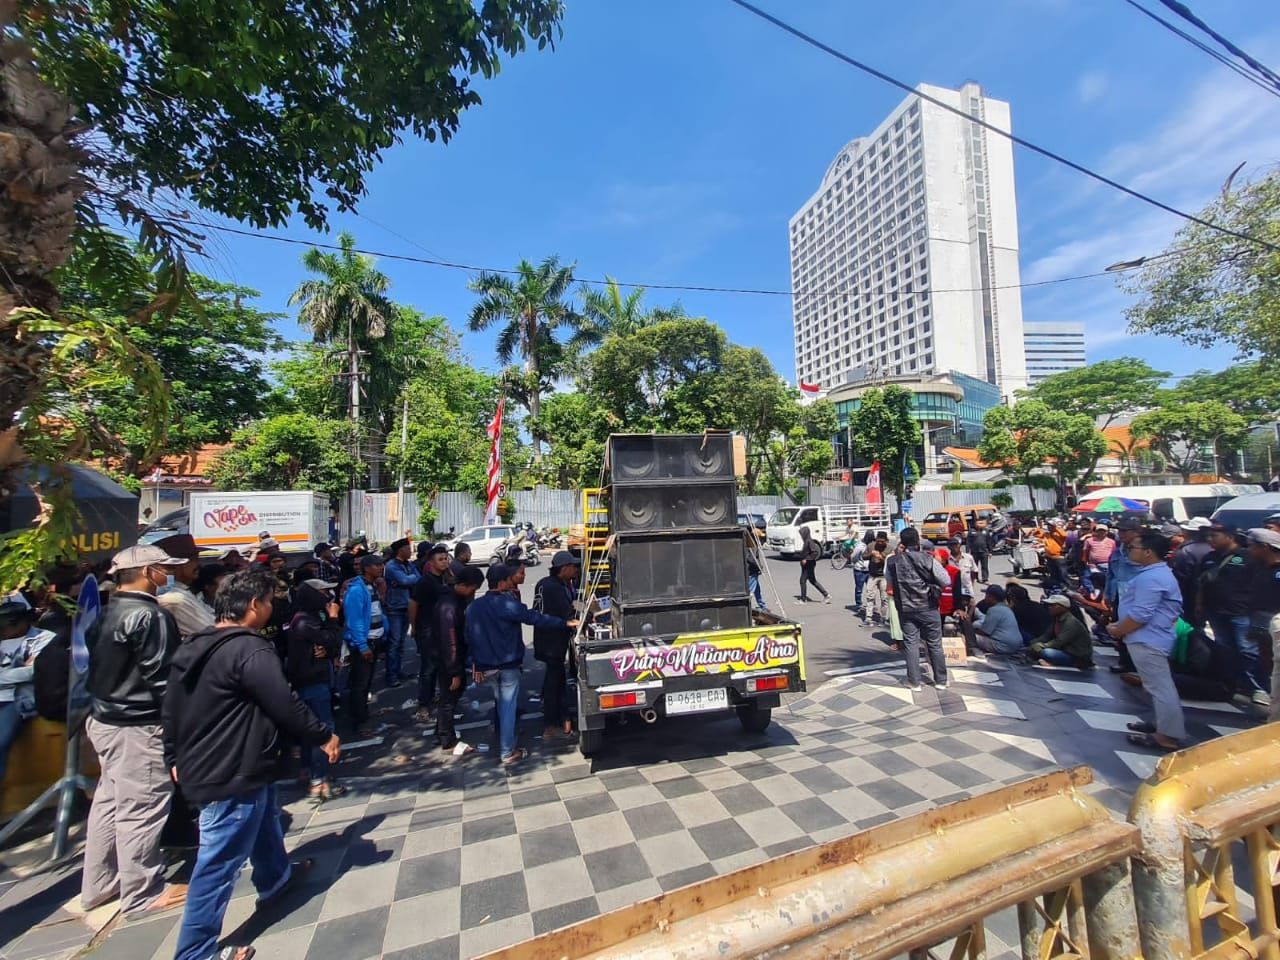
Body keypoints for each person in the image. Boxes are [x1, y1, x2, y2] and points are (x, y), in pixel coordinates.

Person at [165, 568, 340, 960]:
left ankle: (275, 880)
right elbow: (284, 702)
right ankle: (194, 952)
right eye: (269, 601)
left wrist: (173, 755)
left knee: (264, 822)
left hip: (232, 764)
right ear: (254, 606)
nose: (272, 607)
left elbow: (171, 708)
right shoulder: (250, 650)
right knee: (217, 865)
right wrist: (322, 735)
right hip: (231, 769)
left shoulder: (195, 645)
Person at [81, 543, 189, 918]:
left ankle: (99, 885)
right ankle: (142, 891)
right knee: (142, 807)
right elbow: (165, 681)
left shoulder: (104, 614)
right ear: (147, 573)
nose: (166, 576)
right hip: (138, 725)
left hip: (104, 720)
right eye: (163, 569)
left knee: (109, 803)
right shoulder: (149, 617)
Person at [465, 564, 575, 766]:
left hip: (486, 665)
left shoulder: (474, 607)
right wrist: (563, 623)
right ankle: (507, 752)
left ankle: (506, 739)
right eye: (508, 579)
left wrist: (474, 664)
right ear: (501, 582)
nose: (511, 581)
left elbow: (469, 638)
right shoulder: (506, 603)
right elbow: (533, 618)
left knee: (501, 705)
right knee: (508, 707)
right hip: (507, 664)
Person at [1106, 531, 1186, 751]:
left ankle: (1167, 735)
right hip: (1149, 637)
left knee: (1161, 688)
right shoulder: (1153, 574)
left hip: (1148, 639)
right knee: (1155, 686)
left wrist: (1118, 630)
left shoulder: (1152, 577)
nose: (1130, 550)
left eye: (1134, 547)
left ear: (1149, 552)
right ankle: (1162, 724)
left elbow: (1141, 614)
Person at [286, 579, 345, 799]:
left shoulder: (310, 619)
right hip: (311, 681)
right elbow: (331, 638)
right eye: (323, 591)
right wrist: (332, 618)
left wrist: (328, 650)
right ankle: (318, 779)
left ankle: (308, 772)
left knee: (311, 729)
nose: (329, 596)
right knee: (322, 729)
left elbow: (329, 645)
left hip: (315, 676)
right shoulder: (303, 622)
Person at [886, 527, 951, 691]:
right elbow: (946, 580)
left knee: (911, 644)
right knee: (935, 644)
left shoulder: (892, 562)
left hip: (906, 609)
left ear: (902, 542)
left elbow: (889, 582)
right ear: (917, 541)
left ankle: (914, 682)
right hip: (928, 606)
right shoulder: (927, 559)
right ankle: (941, 681)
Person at [1199, 522, 1259, 703]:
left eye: (1215, 536)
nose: (1210, 540)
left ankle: (1256, 687)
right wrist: (1199, 604)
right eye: (1208, 536)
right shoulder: (1209, 557)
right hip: (1216, 612)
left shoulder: (1248, 557)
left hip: (1241, 612)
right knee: (1225, 649)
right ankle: (1231, 682)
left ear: (1230, 537)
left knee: (1247, 650)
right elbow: (1201, 584)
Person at [0, 594, 56, 781]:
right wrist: (18, 670)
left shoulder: (45, 638)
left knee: (1, 741)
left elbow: (34, 671)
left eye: (7, 627)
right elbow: (23, 671)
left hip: (15, 700)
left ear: (22, 622)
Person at [434, 565, 483, 752]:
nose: (474, 592)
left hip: (448, 657)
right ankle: (447, 739)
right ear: (465, 585)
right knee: (449, 698)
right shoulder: (450, 606)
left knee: (449, 698)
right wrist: (454, 671)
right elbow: (450, 641)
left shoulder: (452, 599)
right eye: (473, 588)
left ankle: (440, 732)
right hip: (448, 660)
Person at [533, 551, 579, 742]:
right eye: (573, 566)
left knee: (556, 680)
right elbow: (568, 614)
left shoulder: (546, 583)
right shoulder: (555, 588)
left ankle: (561, 719)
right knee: (555, 683)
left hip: (544, 639)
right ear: (563, 568)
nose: (576, 570)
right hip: (553, 642)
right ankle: (551, 725)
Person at [408, 543, 453, 720]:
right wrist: (413, 626)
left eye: (446, 559)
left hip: (443, 630)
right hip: (428, 631)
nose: (444, 562)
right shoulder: (425, 582)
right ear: (431, 563)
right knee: (428, 669)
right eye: (440, 560)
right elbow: (413, 604)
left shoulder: (445, 578)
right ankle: (423, 704)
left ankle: (440, 699)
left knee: (442, 667)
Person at [342, 555, 385, 737]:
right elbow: (354, 621)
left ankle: (364, 712)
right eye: (377, 565)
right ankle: (360, 723)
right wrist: (362, 645)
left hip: (374, 640)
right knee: (360, 684)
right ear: (367, 568)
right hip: (364, 643)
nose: (381, 568)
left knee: (366, 682)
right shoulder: (357, 591)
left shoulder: (372, 586)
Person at [155, 535, 216, 643]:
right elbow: (214, 632)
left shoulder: (184, 591)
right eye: (193, 560)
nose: (199, 564)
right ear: (176, 565)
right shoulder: (174, 598)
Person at [1245, 528, 1280, 709]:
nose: (1249, 550)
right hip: (1260, 625)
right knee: (1268, 665)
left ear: (1265, 547)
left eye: (1252, 546)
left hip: (1276, 627)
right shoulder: (1259, 567)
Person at [381, 538, 420, 689]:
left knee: (401, 643)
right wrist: (410, 579)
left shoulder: (409, 564)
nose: (410, 551)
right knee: (394, 642)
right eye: (408, 549)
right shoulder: (391, 566)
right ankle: (391, 675)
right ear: (400, 551)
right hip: (395, 607)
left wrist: (410, 580)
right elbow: (405, 580)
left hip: (407, 606)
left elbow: (419, 578)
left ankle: (397, 671)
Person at [1030, 594, 1095, 669]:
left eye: (1053, 605)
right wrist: (1033, 643)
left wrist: (1041, 646)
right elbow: (1046, 636)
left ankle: (1059, 662)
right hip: (1064, 650)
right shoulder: (1057, 619)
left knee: (1046, 652)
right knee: (1035, 646)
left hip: (1076, 655)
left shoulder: (1071, 622)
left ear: (1062, 607)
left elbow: (1060, 641)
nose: (1049, 608)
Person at [968, 585, 1023, 656]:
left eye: (987, 595)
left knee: (970, 637)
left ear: (992, 597)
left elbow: (984, 632)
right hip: (1016, 645)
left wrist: (970, 630)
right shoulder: (1007, 609)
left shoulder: (994, 610)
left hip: (1004, 646)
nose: (985, 598)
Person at [1079, 524, 1117, 594]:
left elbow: (1114, 554)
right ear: (1096, 531)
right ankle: (1092, 592)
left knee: (1109, 580)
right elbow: (1085, 552)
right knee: (1086, 577)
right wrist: (1086, 563)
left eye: (1103, 531)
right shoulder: (1089, 540)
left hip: (1108, 564)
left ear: (1107, 532)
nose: (1101, 532)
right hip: (1093, 564)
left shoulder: (1112, 542)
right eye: (1099, 530)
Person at [797, 527, 830, 604]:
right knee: (812, 581)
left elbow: (815, 553)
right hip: (807, 564)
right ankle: (826, 595)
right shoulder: (806, 541)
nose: (801, 535)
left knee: (802, 580)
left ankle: (803, 599)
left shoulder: (809, 541)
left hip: (809, 564)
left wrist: (806, 559)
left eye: (802, 533)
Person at [862, 535, 889, 625]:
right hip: (872, 575)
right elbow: (863, 556)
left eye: (882, 542)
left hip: (884, 576)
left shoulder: (889, 548)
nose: (880, 543)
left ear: (886, 541)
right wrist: (871, 554)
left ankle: (883, 618)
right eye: (878, 541)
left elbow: (892, 561)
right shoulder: (871, 546)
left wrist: (881, 558)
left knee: (884, 598)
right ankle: (868, 617)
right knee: (870, 596)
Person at [745, 531, 768, 611]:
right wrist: (759, 567)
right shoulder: (753, 546)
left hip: (752, 571)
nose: (762, 540)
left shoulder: (749, 545)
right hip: (752, 571)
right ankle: (746, 607)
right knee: (751, 591)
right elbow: (752, 559)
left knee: (757, 590)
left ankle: (763, 606)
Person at [848, 536, 869, 610]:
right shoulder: (860, 546)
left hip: (869, 570)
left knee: (871, 589)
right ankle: (859, 604)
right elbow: (853, 557)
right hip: (860, 570)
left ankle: (871, 604)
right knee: (859, 589)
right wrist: (858, 564)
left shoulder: (871, 545)